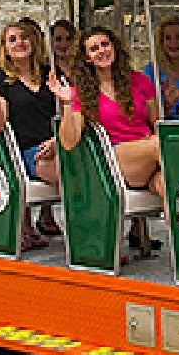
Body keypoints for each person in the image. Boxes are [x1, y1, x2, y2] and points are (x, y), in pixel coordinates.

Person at [53, 24, 163, 258]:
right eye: (94, 49)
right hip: (115, 158)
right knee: (158, 146)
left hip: (149, 155)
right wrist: (66, 103)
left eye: (105, 44)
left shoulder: (140, 81)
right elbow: (69, 142)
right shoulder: (82, 91)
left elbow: (157, 124)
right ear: (87, 58)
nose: (102, 51)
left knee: (169, 184)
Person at [0, 18, 58, 249]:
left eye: (24, 37)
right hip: (27, 152)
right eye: (12, 40)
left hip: (58, 144)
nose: (20, 43)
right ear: (5, 48)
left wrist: (57, 140)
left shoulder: (51, 75)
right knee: (70, 173)